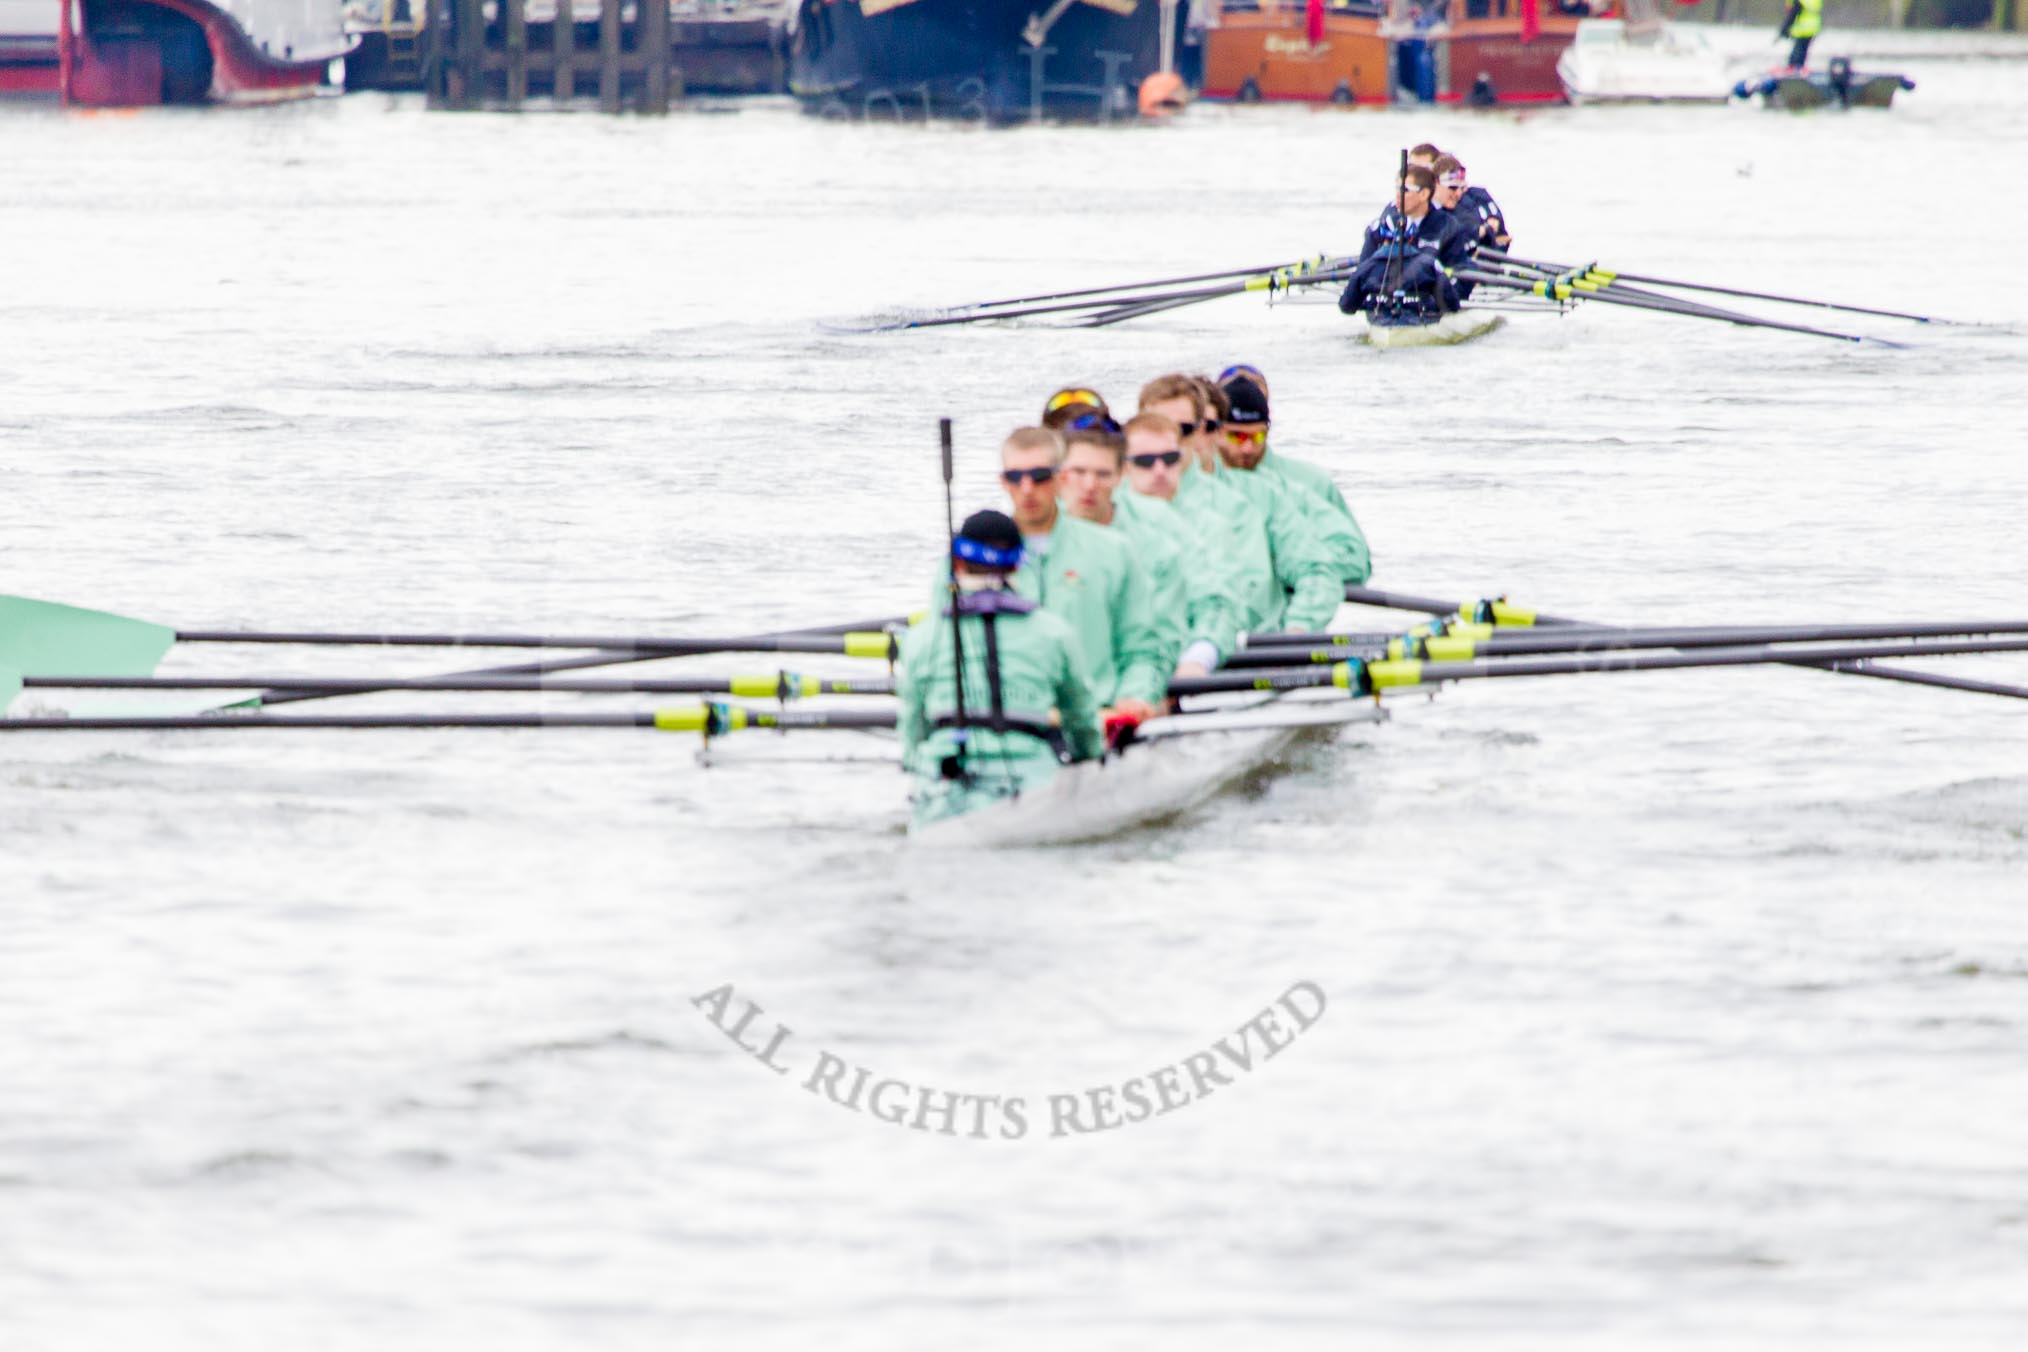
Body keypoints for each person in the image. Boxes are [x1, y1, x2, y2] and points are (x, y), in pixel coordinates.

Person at [897, 508, 1104, 826]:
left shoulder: (922, 637)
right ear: (1017, 564)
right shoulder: (1055, 632)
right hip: (1035, 790)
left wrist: (913, 763)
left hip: (942, 787)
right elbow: (1081, 719)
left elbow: (913, 728)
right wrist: (1091, 760)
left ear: (957, 565)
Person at [1134, 375, 1342, 635]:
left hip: (1244, 651)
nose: (1169, 439)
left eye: (1182, 429)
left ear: (1201, 430)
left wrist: (1297, 629)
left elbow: (1317, 571)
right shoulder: (1112, 504)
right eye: (1157, 427)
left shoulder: (1245, 505)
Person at [998, 425, 1169, 718]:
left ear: (1060, 479)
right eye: (1015, 478)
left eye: (1039, 477)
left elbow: (1142, 649)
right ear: (1003, 482)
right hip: (1010, 722)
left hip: (1096, 719)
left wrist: (1135, 697)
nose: (1027, 489)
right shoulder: (970, 556)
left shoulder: (1115, 551)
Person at [1062, 416, 1243, 678]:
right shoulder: (1036, 532)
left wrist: (1198, 658)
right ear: (1061, 477)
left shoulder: (1162, 525)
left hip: (1158, 675)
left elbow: (1214, 602)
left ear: (1119, 473)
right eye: (1079, 473)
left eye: (1101, 474)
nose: (1090, 485)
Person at [1216, 372, 1372, 586]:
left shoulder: (1307, 483)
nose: (1248, 448)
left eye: (1258, 436)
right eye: (1237, 436)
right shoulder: (1178, 483)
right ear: (1212, 432)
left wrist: (1289, 568)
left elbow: (1357, 561)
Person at [1339, 163, 1473, 318]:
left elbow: (1460, 272)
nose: (1398, 195)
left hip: (1429, 304)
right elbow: (1364, 270)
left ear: (1424, 194)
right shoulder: (1382, 226)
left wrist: (1445, 304)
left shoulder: (1447, 226)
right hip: (1384, 301)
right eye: (1397, 189)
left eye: (1405, 190)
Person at [1431, 153, 1510, 256]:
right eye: (1453, 187)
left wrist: (1483, 233)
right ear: (1435, 184)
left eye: (1462, 188)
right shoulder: (1422, 209)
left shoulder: (1463, 211)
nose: (1459, 193)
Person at [1777, 0, 1821, 72]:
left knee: (1797, 54)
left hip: (1802, 28)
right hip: (1813, 27)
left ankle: (1794, 71)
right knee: (1802, 53)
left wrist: (1785, 28)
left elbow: (1794, 12)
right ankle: (1798, 69)